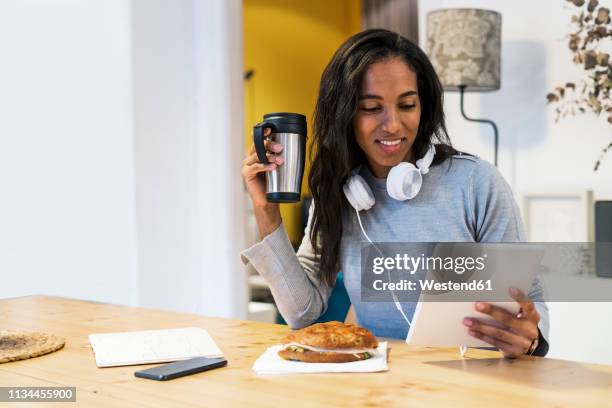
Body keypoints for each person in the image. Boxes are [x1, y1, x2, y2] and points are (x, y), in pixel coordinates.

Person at [241, 29, 548, 358]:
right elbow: (303, 313)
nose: (393, 125)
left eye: (407, 105)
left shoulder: (476, 183)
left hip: (476, 383)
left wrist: (531, 339)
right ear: (345, 114)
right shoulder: (340, 193)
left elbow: (530, 308)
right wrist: (266, 211)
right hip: (383, 386)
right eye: (372, 107)